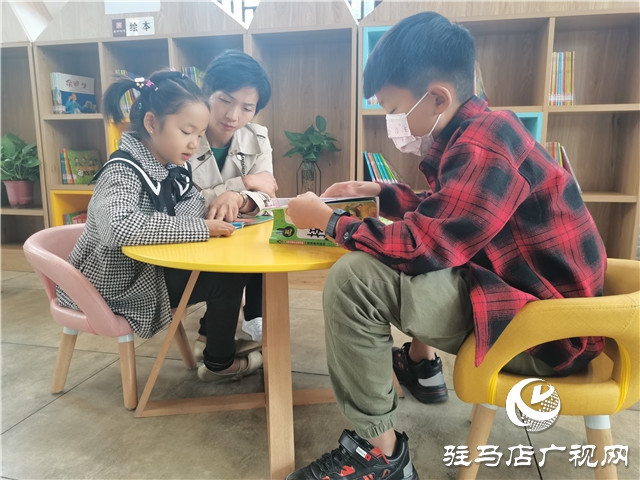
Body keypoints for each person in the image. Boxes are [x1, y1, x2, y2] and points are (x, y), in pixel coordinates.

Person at [284, 12, 606, 480]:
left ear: (437, 97)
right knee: (419, 256)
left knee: (355, 280)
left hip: (546, 336)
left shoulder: (485, 145)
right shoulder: (480, 130)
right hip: (547, 312)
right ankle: (423, 367)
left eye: (394, 109)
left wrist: (328, 221)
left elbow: (423, 247)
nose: (392, 123)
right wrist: (382, 193)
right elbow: (453, 215)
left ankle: (381, 457)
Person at [56, 69, 262, 383]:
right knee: (227, 279)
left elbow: (192, 209)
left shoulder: (171, 166)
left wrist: (224, 212)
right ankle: (219, 363)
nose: (194, 143)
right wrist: (201, 228)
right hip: (112, 286)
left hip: (145, 269)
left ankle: (216, 347)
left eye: (199, 135)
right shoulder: (122, 170)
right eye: (186, 131)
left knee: (235, 268)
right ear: (152, 123)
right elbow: (119, 227)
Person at [188, 50, 276, 350]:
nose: (233, 115)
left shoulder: (257, 137)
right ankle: (216, 337)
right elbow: (184, 203)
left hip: (235, 231)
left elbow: (267, 195)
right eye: (225, 100)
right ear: (206, 93)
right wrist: (243, 184)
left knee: (263, 243)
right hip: (192, 235)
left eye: (247, 108)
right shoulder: (183, 133)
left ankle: (252, 317)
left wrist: (236, 197)